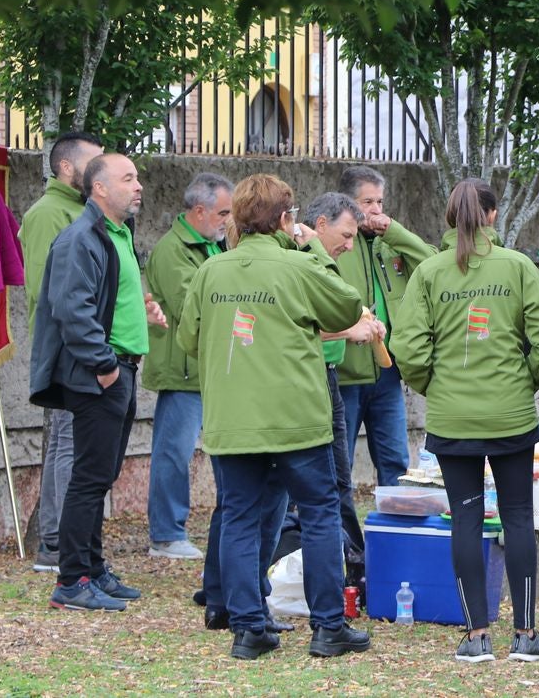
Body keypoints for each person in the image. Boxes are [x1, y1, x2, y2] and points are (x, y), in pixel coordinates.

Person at [177, 174, 370, 661]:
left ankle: (248, 628)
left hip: (233, 418)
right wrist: (314, 250)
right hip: (294, 417)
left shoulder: (212, 271)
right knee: (321, 513)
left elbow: (187, 340)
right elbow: (347, 305)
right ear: (286, 220)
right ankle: (328, 626)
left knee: (240, 518)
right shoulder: (297, 266)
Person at [392, 178, 539, 664]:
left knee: (465, 520)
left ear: (450, 218)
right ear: (492, 216)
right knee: (518, 517)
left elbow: (407, 347)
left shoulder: (428, 272)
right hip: (510, 414)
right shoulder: (516, 266)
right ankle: (527, 634)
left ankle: (476, 636)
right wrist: (527, 379)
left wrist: (434, 387)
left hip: (453, 419)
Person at [30, 153, 166, 611]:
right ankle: (72, 580)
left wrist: (142, 314)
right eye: (128, 178)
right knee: (90, 478)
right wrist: (105, 366)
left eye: (137, 177)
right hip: (98, 375)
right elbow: (72, 310)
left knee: (101, 474)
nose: (138, 185)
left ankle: (92, 567)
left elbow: (109, 298)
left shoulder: (118, 234)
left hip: (120, 368)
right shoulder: (80, 238)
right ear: (100, 189)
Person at [18, 131, 103, 572]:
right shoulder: (49, 214)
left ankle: (64, 539)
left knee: (71, 442)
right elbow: (46, 291)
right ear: (67, 168)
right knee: (70, 443)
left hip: (85, 346)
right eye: (93, 163)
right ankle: (56, 543)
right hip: (70, 349)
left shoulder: (83, 213)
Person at [142, 172, 233, 560]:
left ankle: (214, 525)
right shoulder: (172, 250)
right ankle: (165, 534)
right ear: (200, 211)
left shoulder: (212, 245)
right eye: (223, 212)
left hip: (209, 369)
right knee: (173, 454)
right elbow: (193, 309)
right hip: (184, 371)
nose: (229, 220)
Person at [305, 191, 386, 589]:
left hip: (329, 375)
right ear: (320, 225)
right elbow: (296, 326)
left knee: (338, 477)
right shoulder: (304, 262)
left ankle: (354, 563)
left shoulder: (324, 260)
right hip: (308, 381)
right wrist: (349, 328)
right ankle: (346, 565)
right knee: (322, 482)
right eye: (346, 234)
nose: (350, 245)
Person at [334, 166, 435, 485]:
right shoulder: (336, 245)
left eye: (380, 202)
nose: (376, 210)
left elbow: (432, 266)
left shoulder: (390, 243)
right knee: (340, 463)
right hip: (345, 372)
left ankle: (395, 530)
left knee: (396, 461)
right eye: (367, 202)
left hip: (388, 371)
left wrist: (395, 232)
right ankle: (344, 535)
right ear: (346, 204)